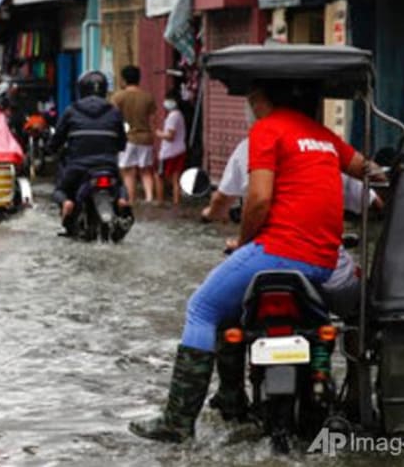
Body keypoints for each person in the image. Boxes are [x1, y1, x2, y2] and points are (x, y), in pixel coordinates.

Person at [130, 80, 369, 442]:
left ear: (263, 100)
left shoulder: (268, 129)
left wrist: (244, 241)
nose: (251, 106)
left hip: (277, 251)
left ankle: (177, 422)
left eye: (252, 98)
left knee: (202, 309)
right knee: (338, 321)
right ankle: (335, 399)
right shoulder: (322, 135)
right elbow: (368, 171)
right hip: (321, 261)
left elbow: (257, 200)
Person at [199, 134, 383, 420]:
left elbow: (224, 199)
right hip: (324, 264)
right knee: (361, 314)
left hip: (259, 262)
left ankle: (231, 394)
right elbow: (372, 204)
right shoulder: (328, 150)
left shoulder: (251, 147)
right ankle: (358, 397)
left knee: (224, 315)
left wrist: (215, 217)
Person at [47, 70, 129, 226]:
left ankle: (66, 203)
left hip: (78, 167)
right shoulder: (114, 112)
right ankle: (122, 200)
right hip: (108, 166)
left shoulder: (71, 111)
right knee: (119, 185)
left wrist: (51, 148)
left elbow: (56, 140)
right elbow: (122, 143)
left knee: (60, 190)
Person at [111, 65, 157, 203]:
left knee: (128, 171)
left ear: (124, 80)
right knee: (146, 170)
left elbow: (113, 118)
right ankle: (149, 198)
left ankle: (130, 199)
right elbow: (153, 119)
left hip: (127, 139)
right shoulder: (148, 97)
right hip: (145, 138)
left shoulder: (118, 97)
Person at [155, 93, 186, 207]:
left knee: (159, 177)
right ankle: (176, 202)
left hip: (169, 152)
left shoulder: (172, 116)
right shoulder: (179, 115)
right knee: (176, 179)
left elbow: (170, 136)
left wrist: (158, 134)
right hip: (180, 150)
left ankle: (160, 202)